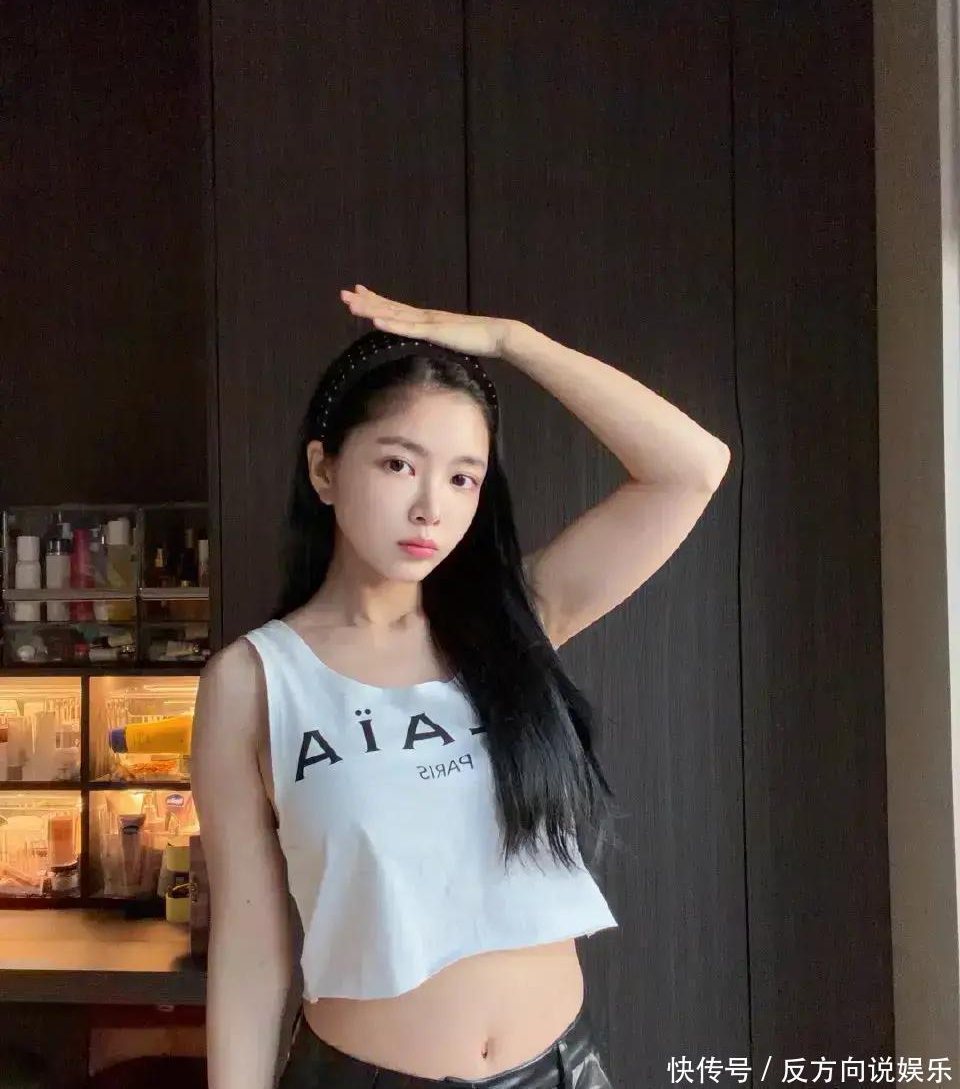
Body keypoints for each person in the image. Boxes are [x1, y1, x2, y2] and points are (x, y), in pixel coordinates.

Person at [192, 285, 731, 1089]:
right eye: (398, 464)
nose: (429, 508)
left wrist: (516, 341)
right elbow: (249, 945)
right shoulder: (254, 682)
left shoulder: (518, 623)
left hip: (562, 1070)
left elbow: (691, 470)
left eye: (462, 479)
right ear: (324, 469)